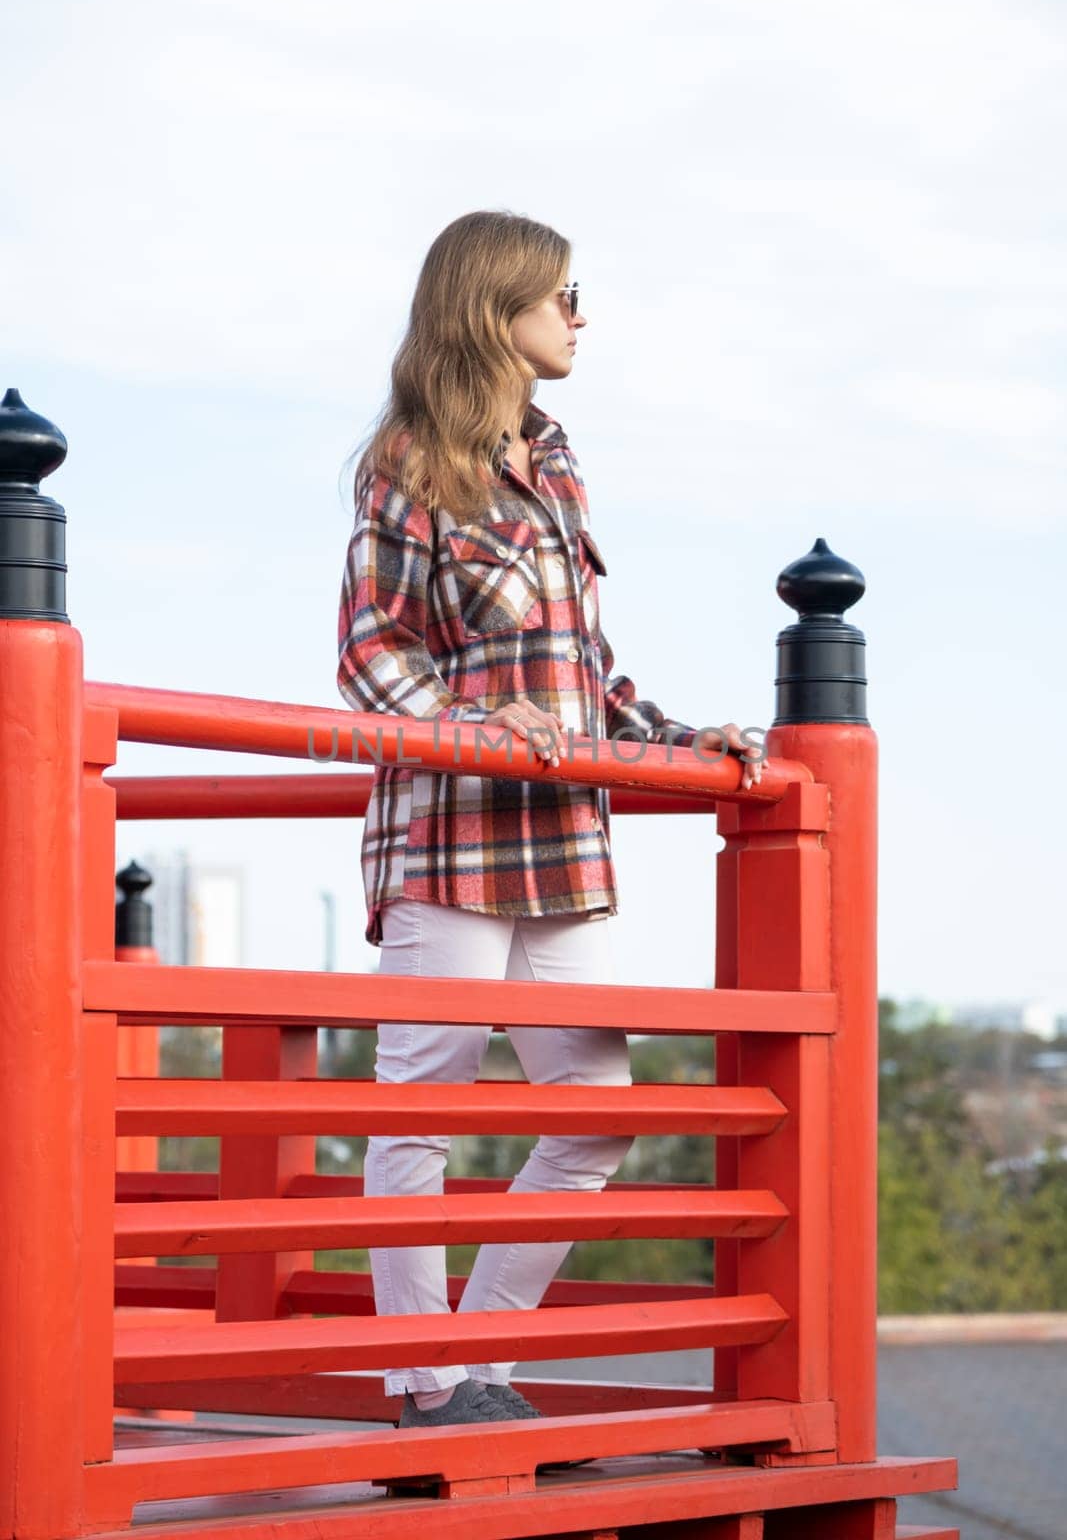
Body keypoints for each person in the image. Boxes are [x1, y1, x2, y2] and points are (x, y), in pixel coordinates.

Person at [336, 209, 764, 1432]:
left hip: (561, 841)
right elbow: (370, 657)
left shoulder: (558, 459)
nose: (579, 315)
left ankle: (475, 1359)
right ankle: (424, 1383)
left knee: (595, 1107)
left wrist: (684, 741)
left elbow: (590, 675)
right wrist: (475, 725)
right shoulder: (408, 463)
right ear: (495, 308)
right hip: (454, 834)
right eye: (561, 294)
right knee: (422, 1105)